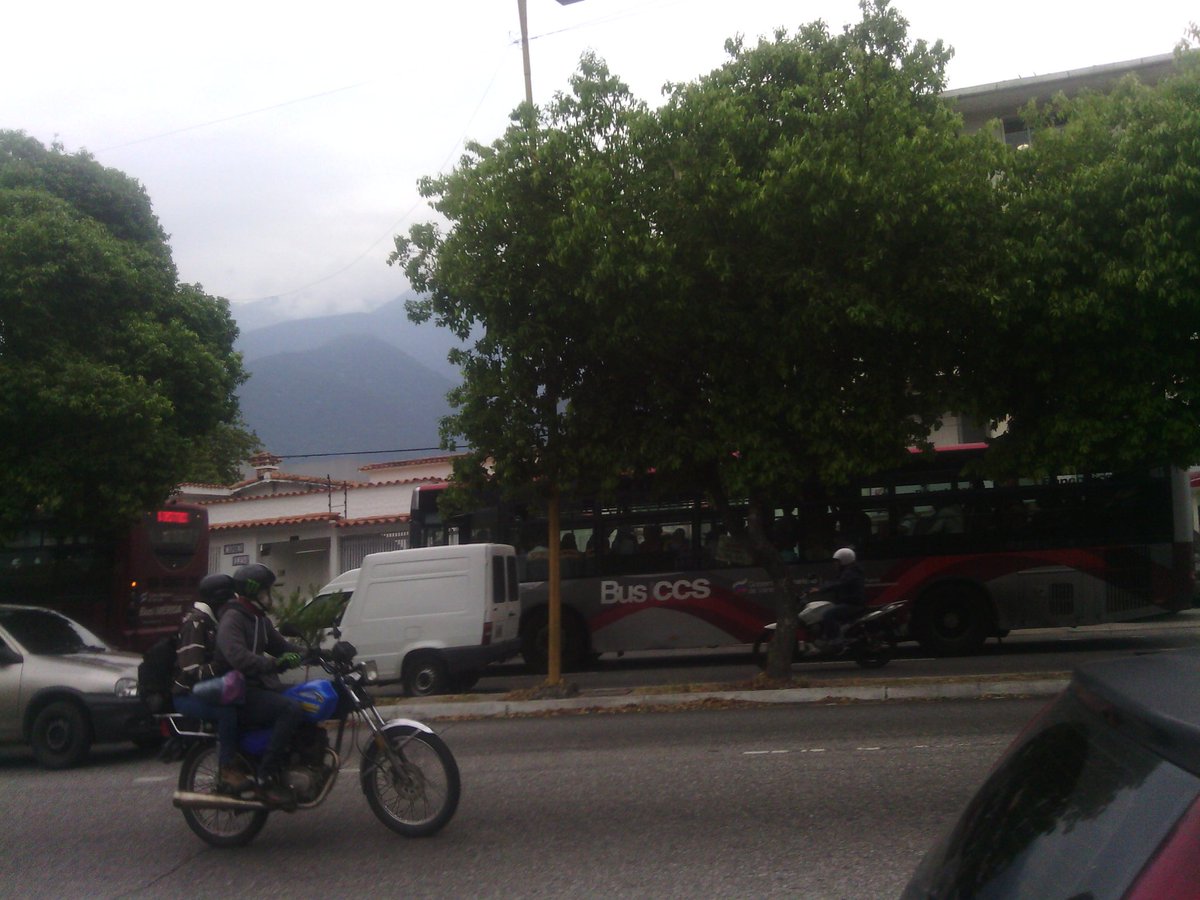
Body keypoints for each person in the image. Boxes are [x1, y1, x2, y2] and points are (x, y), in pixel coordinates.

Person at [214, 563, 304, 807]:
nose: (270, 596)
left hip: (259, 685)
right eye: (267, 591)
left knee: (305, 698)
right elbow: (238, 657)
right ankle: (265, 778)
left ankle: (296, 759)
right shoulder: (232, 618)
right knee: (290, 709)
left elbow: (281, 647)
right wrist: (274, 665)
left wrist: (315, 653)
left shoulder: (259, 620)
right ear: (254, 592)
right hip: (240, 691)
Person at [170, 573, 249, 793]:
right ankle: (226, 768)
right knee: (227, 712)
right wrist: (222, 666)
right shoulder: (195, 622)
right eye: (229, 600)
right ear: (217, 600)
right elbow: (191, 670)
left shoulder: (213, 622)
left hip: (209, 689)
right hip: (186, 695)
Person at [808, 547, 866, 643]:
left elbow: (839, 584)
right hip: (849, 603)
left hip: (852, 604)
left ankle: (835, 640)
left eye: (837, 561)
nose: (835, 564)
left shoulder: (851, 573)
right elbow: (836, 583)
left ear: (844, 561)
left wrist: (820, 589)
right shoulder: (849, 572)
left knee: (828, 614)